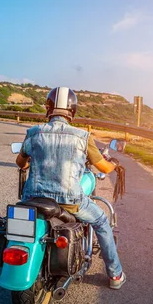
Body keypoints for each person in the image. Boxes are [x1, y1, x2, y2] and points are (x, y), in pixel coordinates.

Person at [15, 87, 126, 289]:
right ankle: (115, 275)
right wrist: (115, 165)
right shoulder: (83, 137)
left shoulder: (33, 133)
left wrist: (32, 160)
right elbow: (102, 166)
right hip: (70, 201)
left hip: (33, 197)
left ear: (48, 108)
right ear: (72, 110)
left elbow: (20, 163)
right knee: (101, 221)